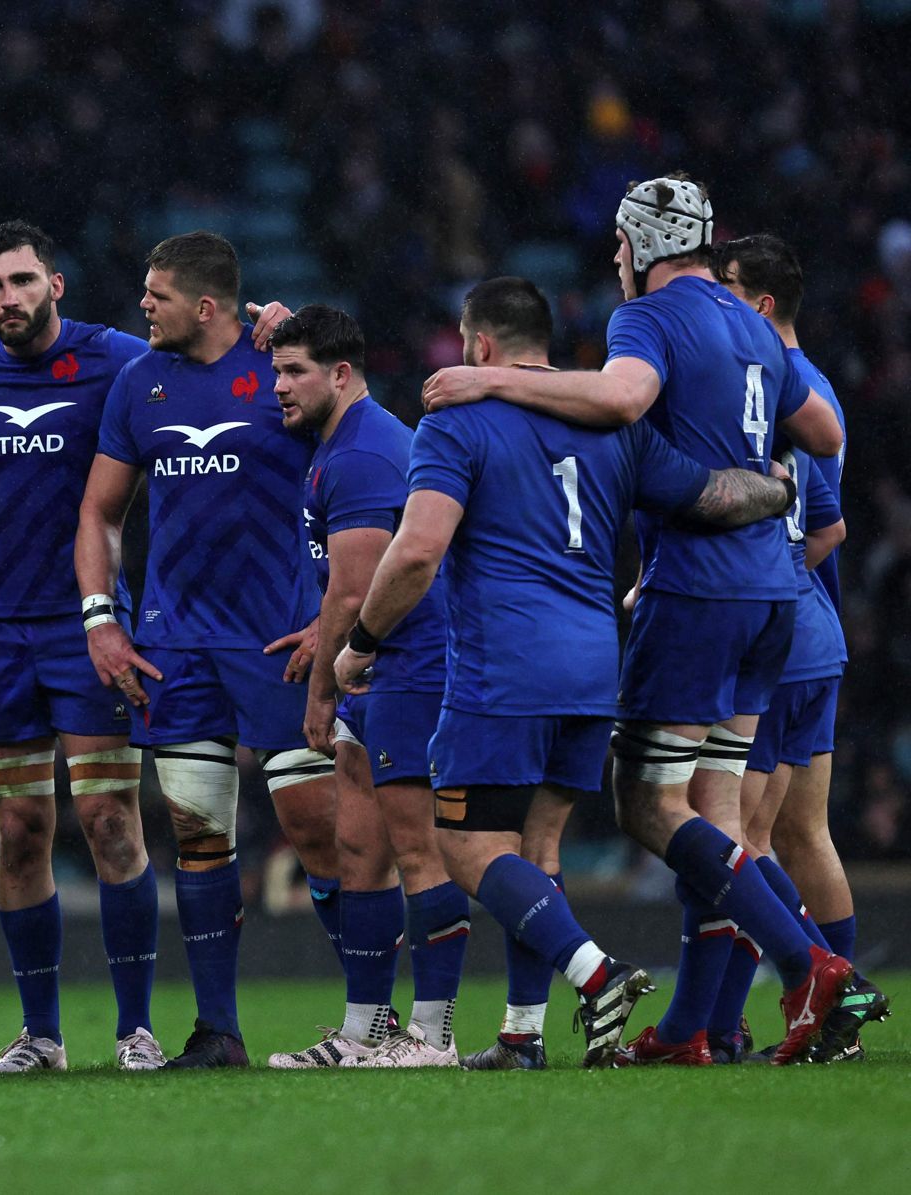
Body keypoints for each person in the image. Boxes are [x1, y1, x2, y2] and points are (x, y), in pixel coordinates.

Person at [421, 175, 861, 1065]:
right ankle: (700, 1028)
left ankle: (806, 962)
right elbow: (821, 432)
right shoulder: (752, 323)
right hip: (776, 596)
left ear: (649, 244)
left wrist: (489, 376)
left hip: (698, 588)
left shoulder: (648, 320)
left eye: (622, 244)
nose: (616, 260)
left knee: (649, 803)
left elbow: (622, 400)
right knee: (717, 812)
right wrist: (767, 476)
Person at [345, 275, 801, 1067]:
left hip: (503, 670)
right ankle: (523, 1034)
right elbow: (711, 494)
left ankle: (596, 975)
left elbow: (417, 550)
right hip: (595, 669)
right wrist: (780, 487)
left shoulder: (459, 421)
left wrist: (361, 639)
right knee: (539, 845)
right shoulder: (612, 428)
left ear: (479, 345)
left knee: (468, 847)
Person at [74, 231, 335, 1070]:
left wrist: (336, 613)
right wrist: (100, 618)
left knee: (316, 830)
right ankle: (217, 1028)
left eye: (156, 293)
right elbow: (100, 514)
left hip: (280, 638)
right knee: (198, 836)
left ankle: (372, 1015)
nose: (143, 305)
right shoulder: (137, 383)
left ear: (208, 304)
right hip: (177, 644)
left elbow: (364, 453)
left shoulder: (284, 372)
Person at [0, 220, 160, 1072]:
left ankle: (135, 1029)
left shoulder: (117, 357)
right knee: (19, 829)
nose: (7, 299)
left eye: (21, 281)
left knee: (109, 820)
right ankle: (42, 1036)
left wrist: (263, 328)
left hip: (88, 624)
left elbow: (201, 367)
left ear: (55, 282)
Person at [268, 305, 468, 1067]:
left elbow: (351, 595)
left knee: (419, 849)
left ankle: (434, 1032)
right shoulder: (340, 445)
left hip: (408, 667)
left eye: (295, 372)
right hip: (374, 669)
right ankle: (365, 1030)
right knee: (360, 848)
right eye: (278, 369)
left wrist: (320, 697)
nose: (278, 387)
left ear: (341, 375)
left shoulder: (362, 455)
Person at [707, 234, 882, 1063]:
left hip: (778, 641)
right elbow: (833, 524)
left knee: (743, 836)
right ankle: (830, 1007)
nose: (716, 300)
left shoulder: (771, 389)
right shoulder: (815, 390)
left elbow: (816, 528)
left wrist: (756, 576)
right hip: (819, 638)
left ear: (761, 303)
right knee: (803, 834)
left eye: (728, 287)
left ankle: (792, 992)